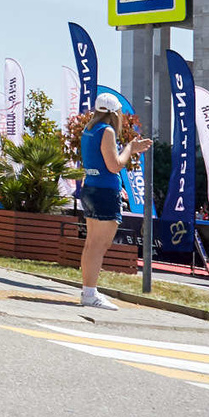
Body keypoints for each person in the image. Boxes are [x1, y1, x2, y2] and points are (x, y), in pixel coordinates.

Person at [74, 109, 154, 311]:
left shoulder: (88, 129)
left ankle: (89, 291)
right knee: (99, 245)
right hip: (105, 191)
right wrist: (130, 147)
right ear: (114, 114)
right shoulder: (107, 130)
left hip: (91, 188)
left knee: (92, 243)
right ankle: (90, 293)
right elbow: (115, 165)